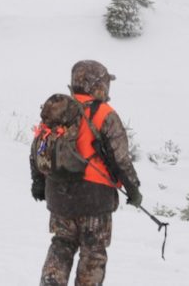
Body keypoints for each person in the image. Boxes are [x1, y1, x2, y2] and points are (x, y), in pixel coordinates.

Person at [30, 59, 142, 286]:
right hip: (95, 199)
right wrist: (133, 189)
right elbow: (120, 159)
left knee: (61, 244)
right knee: (93, 253)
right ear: (97, 84)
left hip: (58, 193)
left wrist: (38, 182)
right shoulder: (105, 114)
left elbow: (38, 148)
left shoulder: (57, 109)